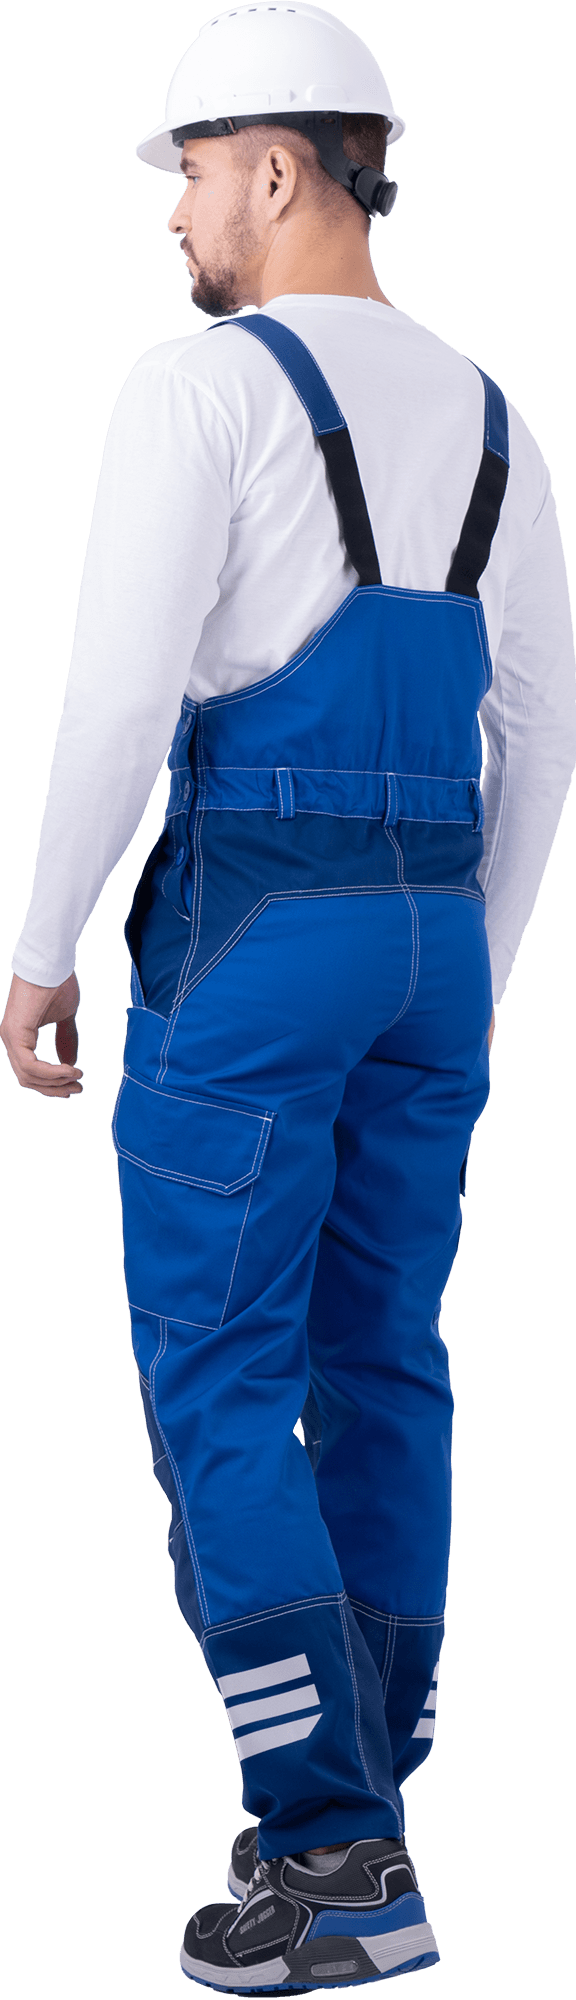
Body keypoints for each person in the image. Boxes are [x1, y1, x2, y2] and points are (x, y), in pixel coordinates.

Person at [2, 5, 574, 1988]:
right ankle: (375, 1779)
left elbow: (118, 699)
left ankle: (333, 1858)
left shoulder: (198, 393)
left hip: (253, 941)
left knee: (225, 1373)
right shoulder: (497, 420)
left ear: (275, 166)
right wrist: (477, 978)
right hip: (431, 944)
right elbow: (545, 742)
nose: (174, 217)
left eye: (187, 175)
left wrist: (46, 943)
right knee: (387, 1357)